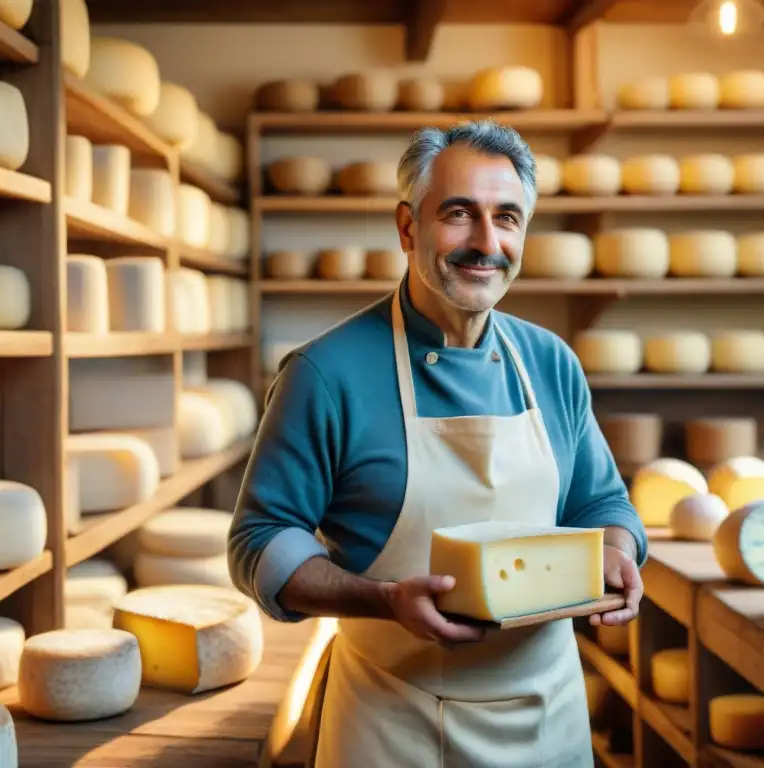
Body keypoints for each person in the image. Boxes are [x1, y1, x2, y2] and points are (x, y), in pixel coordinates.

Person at [228, 119, 646, 768]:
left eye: (507, 218)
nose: (486, 242)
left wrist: (618, 554)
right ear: (407, 227)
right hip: (393, 722)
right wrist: (382, 600)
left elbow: (602, 505)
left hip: (548, 718)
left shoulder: (551, 363)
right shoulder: (325, 373)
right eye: (459, 214)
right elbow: (260, 539)